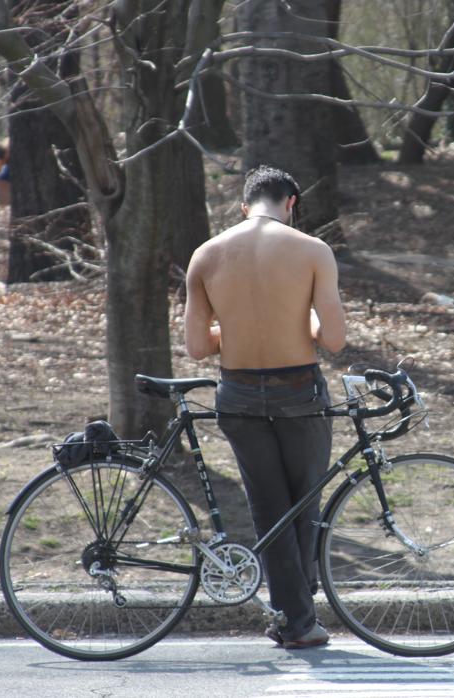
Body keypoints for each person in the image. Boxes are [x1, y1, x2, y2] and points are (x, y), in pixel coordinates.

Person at [183, 165, 347, 650]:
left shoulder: (206, 255)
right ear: (291, 203)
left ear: (243, 207)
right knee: (304, 505)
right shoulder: (313, 251)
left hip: (236, 394)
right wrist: (303, 323)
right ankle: (298, 617)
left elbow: (196, 345)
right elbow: (334, 339)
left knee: (269, 509)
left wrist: (235, 328)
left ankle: (294, 615)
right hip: (299, 391)